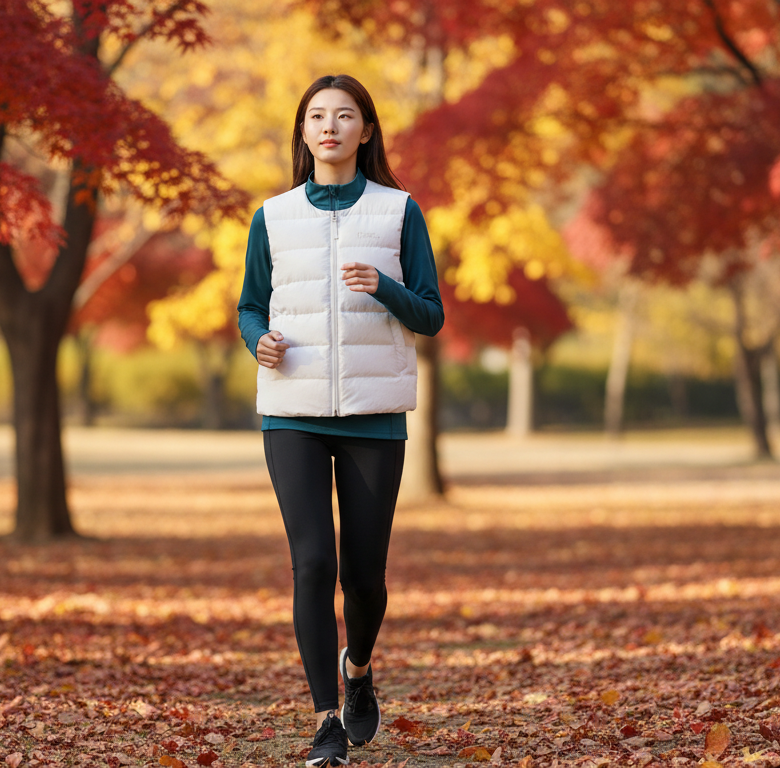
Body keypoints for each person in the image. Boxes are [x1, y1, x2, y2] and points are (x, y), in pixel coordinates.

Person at [236, 74, 444, 767]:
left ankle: (358, 674)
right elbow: (249, 306)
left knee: (364, 577)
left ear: (366, 130)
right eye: (317, 115)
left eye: (344, 115)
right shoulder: (273, 216)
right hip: (291, 410)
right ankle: (326, 720)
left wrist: (382, 287)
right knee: (312, 563)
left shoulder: (398, 211)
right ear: (303, 132)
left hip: (373, 414)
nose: (329, 126)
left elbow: (431, 315)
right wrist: (256, 340)